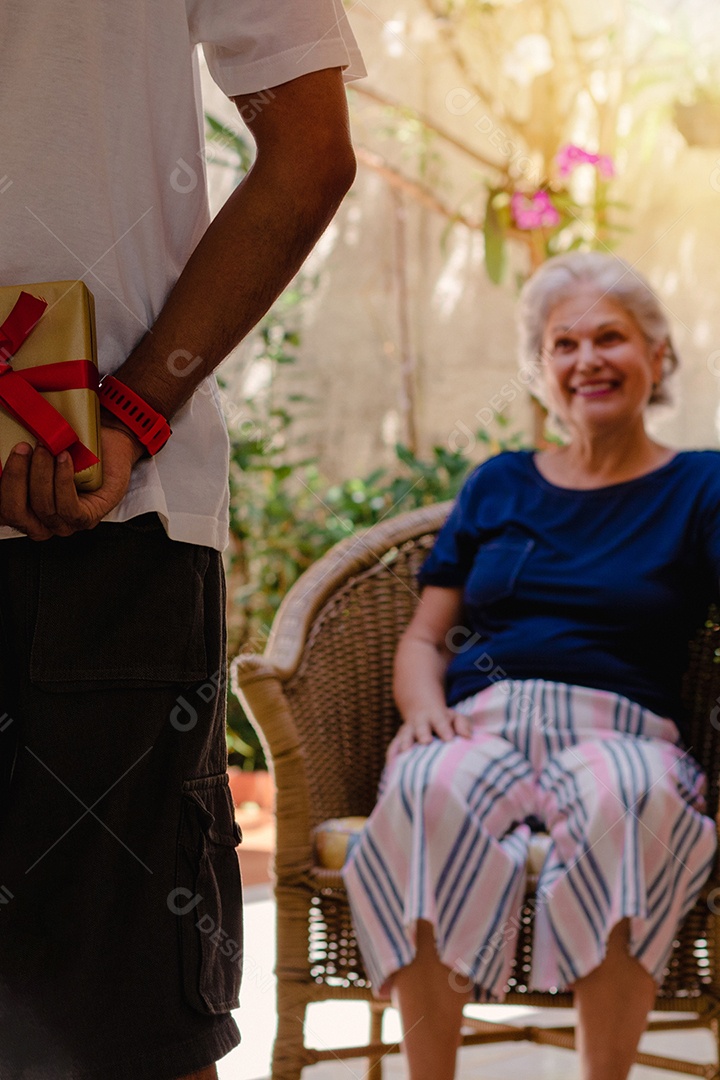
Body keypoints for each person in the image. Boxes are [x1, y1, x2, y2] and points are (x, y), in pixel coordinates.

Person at [0, 3, 364, 1079]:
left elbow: (308, 160)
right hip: (105, 521)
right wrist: (132, 415)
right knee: (129, 1033)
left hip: (105, 541)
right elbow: (309, 152)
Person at [343, 251, 719, 1080]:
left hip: (619, 728)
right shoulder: (499, 484)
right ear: (542, 369)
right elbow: (422, 636)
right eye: (563, 344)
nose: (587, 360)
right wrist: (421, 711)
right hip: (482, 720)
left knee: (633, 805)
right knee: (425, 789)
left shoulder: (702, 485)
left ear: (657, 357)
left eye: (611, 338)